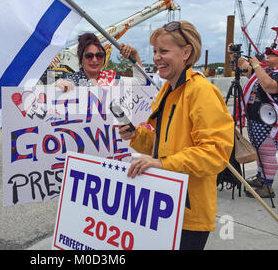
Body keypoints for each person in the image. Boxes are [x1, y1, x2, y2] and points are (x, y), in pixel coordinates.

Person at [118, 21, 234, 250]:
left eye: (164, 51)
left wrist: (162, 163)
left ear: (186, 52)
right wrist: (137, 135)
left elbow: (216, 152)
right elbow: (165, 144)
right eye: (155, 52)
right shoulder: (168, 89)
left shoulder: (201, 91)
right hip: (164, 203)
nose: (156, 58)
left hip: (189, 213)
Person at [234, 47, 278, 198]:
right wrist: (237, 57)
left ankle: (267, 186)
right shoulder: (266, 71)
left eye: (272, 55)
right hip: (257, 120)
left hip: (269, 124)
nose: (268, 57)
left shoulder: (273, 73)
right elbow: (247, 70)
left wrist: (257, 65)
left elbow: (270, 86)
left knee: (267, 153)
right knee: (260, 152)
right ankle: (261, 178)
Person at [55, 32, 146, 91]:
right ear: (80, 58)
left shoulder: (111, 79)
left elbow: (140, 82)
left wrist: (135, 55)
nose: (94, 60)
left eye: (99, 55)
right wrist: (58, 85)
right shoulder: (73, 81)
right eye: (89, 56)